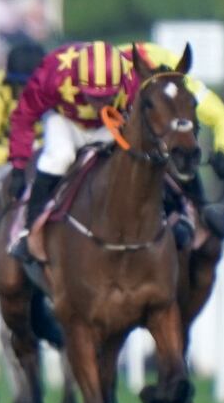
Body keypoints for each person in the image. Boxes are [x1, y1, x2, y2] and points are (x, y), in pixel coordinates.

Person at [8, 41, 142, 262]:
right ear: (78, 81)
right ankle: (30, 231)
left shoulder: (131, 78)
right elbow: (24, 117)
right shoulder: (52, 75)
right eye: (93, 96)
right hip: (65, 119)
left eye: (106, 96)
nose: (99, 103)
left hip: (110, 123)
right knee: (60, 157)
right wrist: (18, 167)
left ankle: (170, 215)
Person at [120, 42, 224, 240]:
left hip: (164, 155)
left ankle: (201, 217)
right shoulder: (112, 74)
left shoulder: (179, 78)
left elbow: (222, 116)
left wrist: (221, 151)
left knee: (182, 151)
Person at [0, 41, 45, 180]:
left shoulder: (55, 90)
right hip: (3, 163)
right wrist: (18, 156)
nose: (28, 91)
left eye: (34, 86)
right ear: (11, 81)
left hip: (47, 156)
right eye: (22, 85)